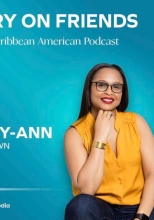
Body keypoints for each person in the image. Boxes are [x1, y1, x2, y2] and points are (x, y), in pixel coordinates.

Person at [64, 63, 154, 220]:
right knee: (80, 205)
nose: (109, 92)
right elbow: (87, 189)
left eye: (116, 87)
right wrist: (100, 136)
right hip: (102, 211)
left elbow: (153, 173)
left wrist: (141, 217)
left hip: (142, 208)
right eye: (101, 85)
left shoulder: (137, 122)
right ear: (89, 88)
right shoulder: (75, 133)